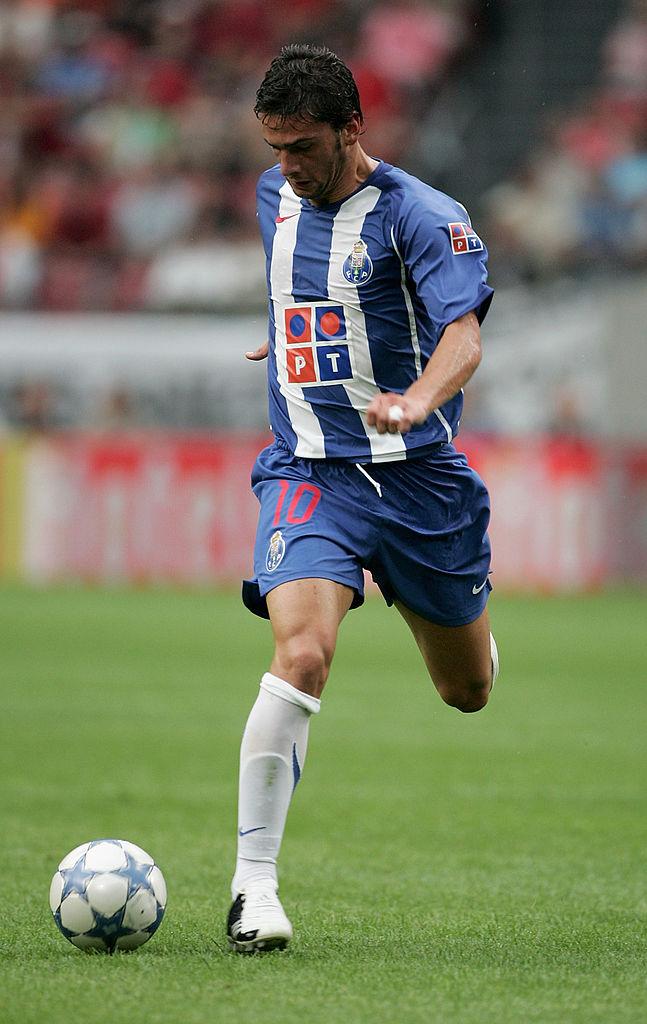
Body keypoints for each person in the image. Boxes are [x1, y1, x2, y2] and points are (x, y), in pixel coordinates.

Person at [227, 43, 499, 953]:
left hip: (418, 480)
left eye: (302, 147)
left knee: (467, 692)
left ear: (351, 130)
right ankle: (253, 889)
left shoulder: (423, 216)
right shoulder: (274, 196)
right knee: (301, 653)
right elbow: (299, 283)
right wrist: (288, 334)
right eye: (274, 148)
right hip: (310, 472)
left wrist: (417, 399)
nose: (286, 167)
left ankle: (457, 625)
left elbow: (462, 336)